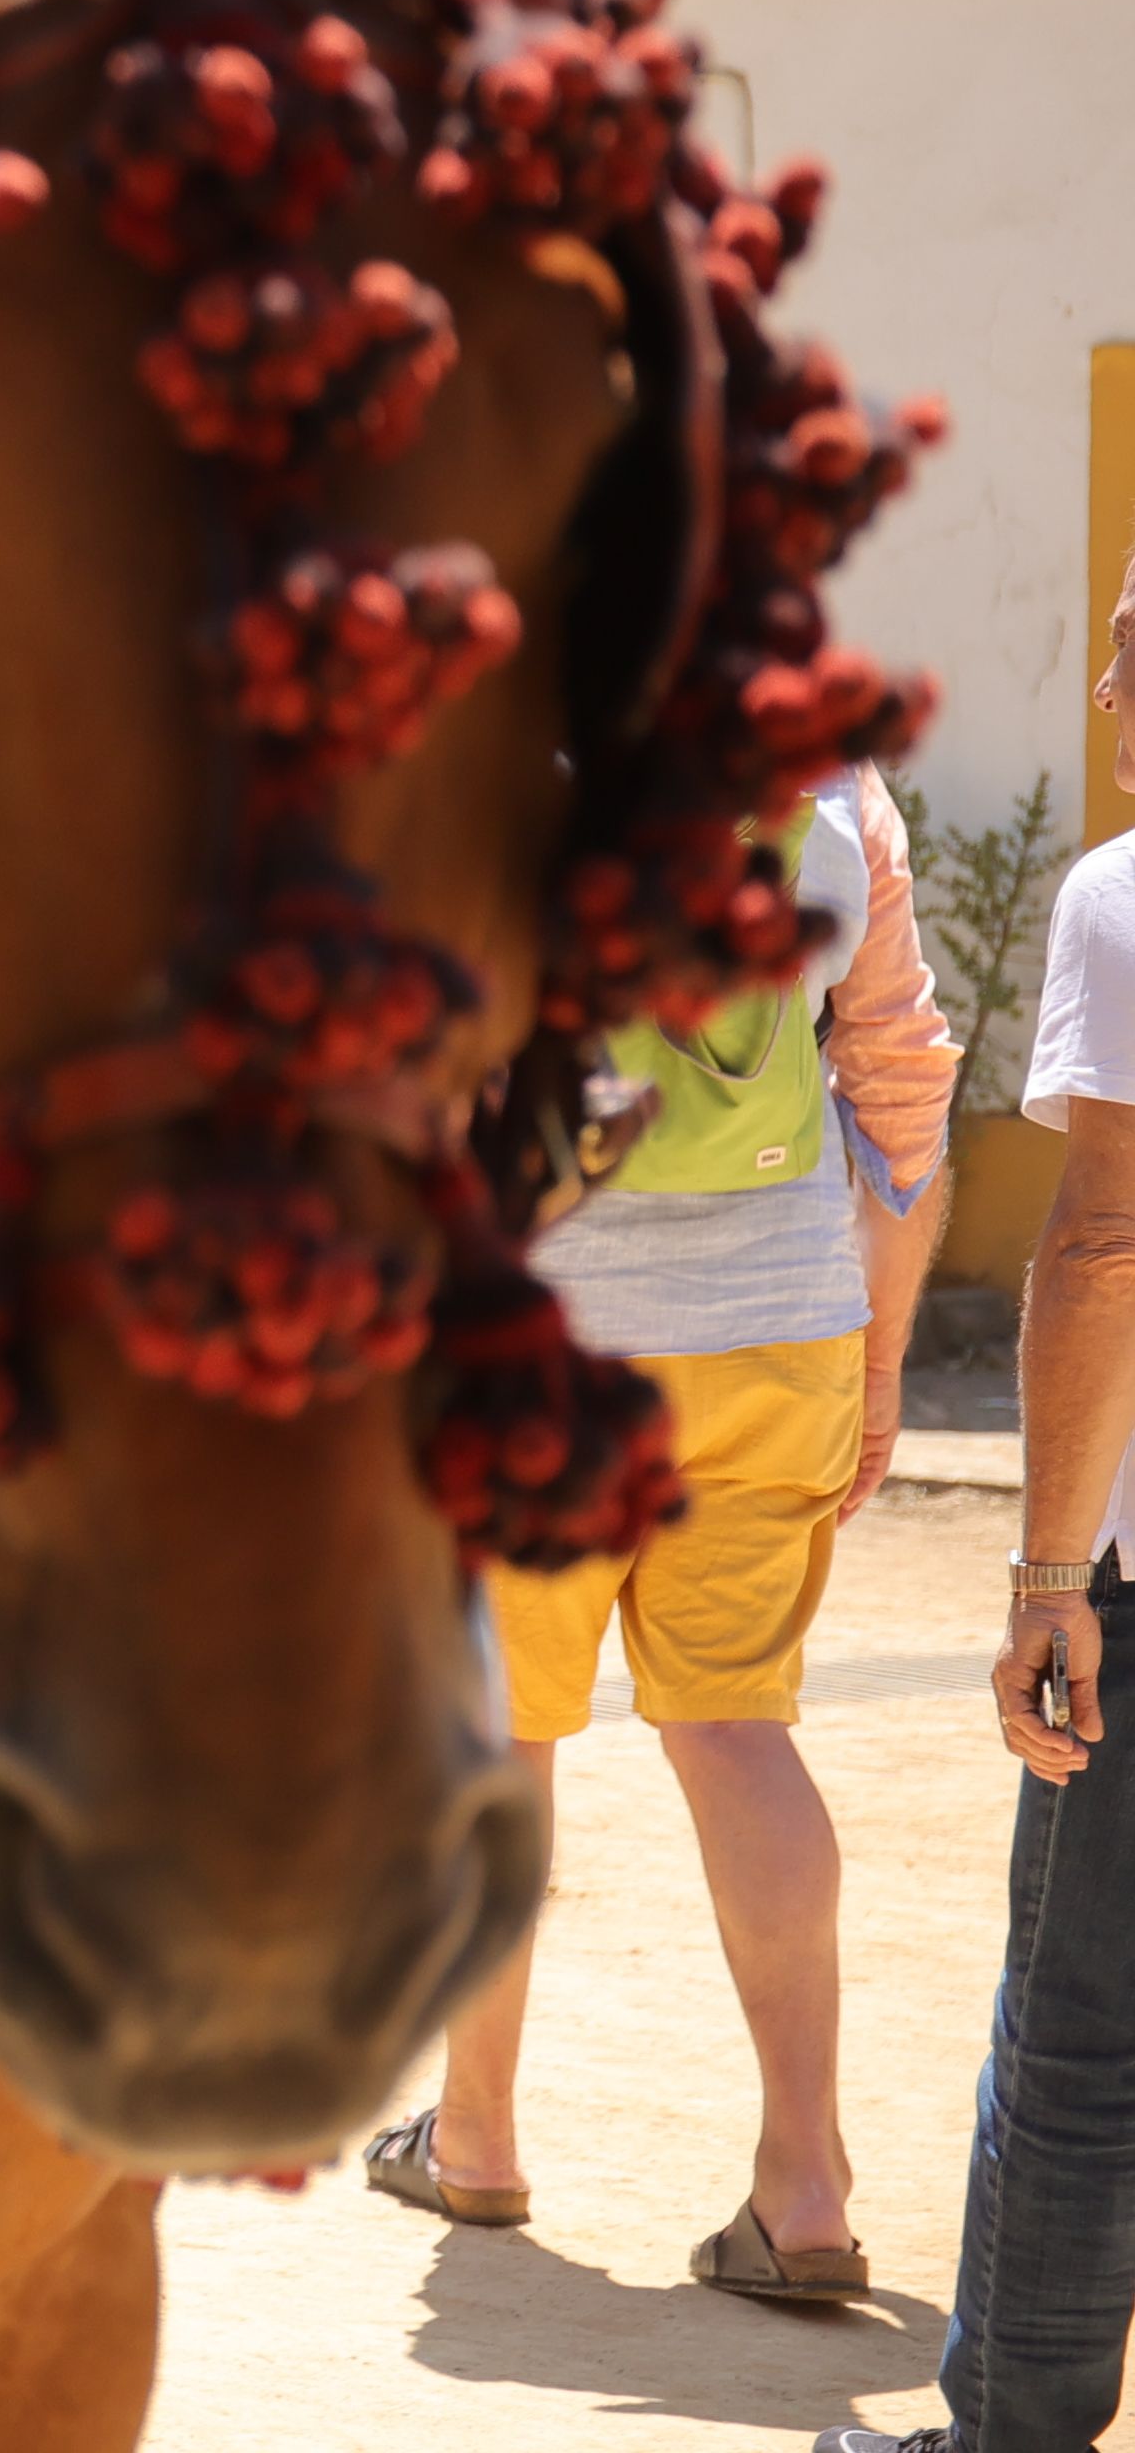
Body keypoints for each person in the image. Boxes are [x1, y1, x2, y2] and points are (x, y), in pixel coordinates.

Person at [375, 762, 955, 2297]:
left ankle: (478, 2139)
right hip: (783, 1327)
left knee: (504, 1732)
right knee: (733, 1725)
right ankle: (807, 2186)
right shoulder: (840, 790)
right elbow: (901, 1080)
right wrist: (880, 1352)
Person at [827, 544, 1135, 2453]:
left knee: (1082, 2018)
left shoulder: (1119, 899)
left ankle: (1012, 2430)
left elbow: (1102, 1242)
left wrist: (1044, 1574)